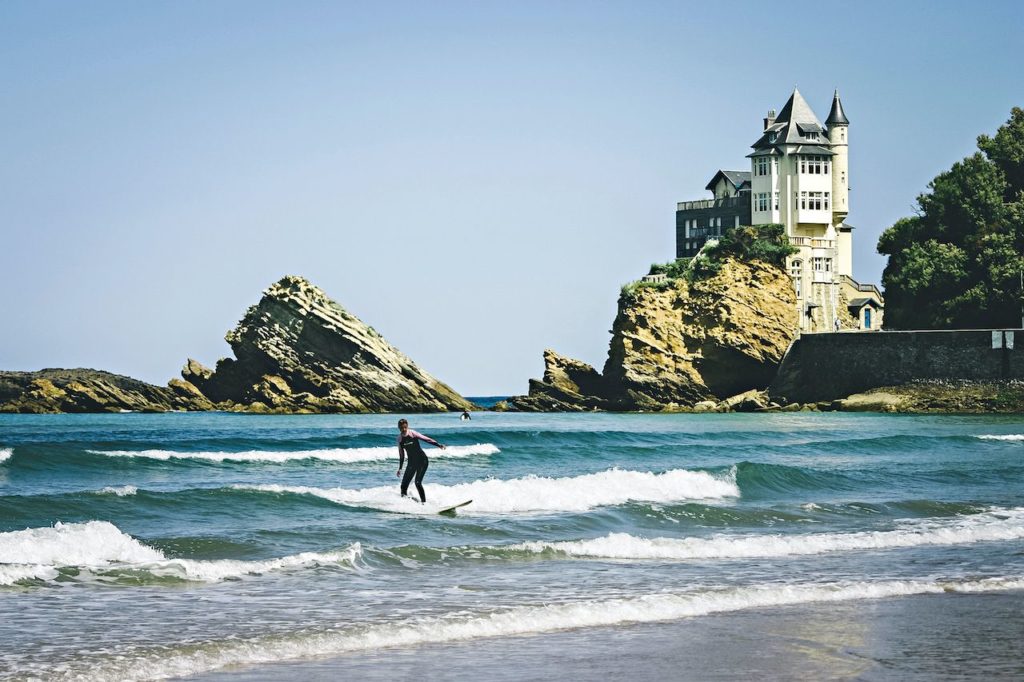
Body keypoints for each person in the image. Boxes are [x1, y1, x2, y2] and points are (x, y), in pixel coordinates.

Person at [396, 418, 445, 503]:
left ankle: (424, 504)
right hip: (411, 463)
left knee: (417, 483)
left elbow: (426, 439)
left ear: (407, 426)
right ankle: (405, 505)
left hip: (422, 460)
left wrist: (438, 445)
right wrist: (400, 468)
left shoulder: (412, 433)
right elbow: (401, 455)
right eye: (401, 428)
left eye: (405, 427)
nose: (403, 429)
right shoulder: (399, 439)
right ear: (398, 428)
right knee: (403, 486)